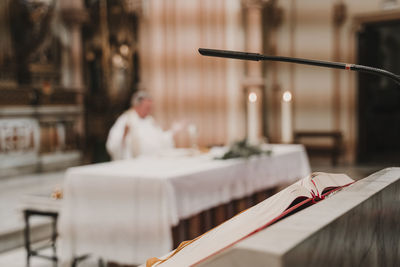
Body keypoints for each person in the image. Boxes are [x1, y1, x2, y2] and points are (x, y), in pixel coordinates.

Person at [106, 91, 178, 160]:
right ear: (137, 106)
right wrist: (124, 135)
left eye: (150, 108)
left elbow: (160, 139)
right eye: (147, 108)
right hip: (134, 163)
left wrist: (172, 133)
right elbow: (112, 145)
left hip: (152, 161)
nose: (149, 111)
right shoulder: (125, 120)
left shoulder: (150, 120)